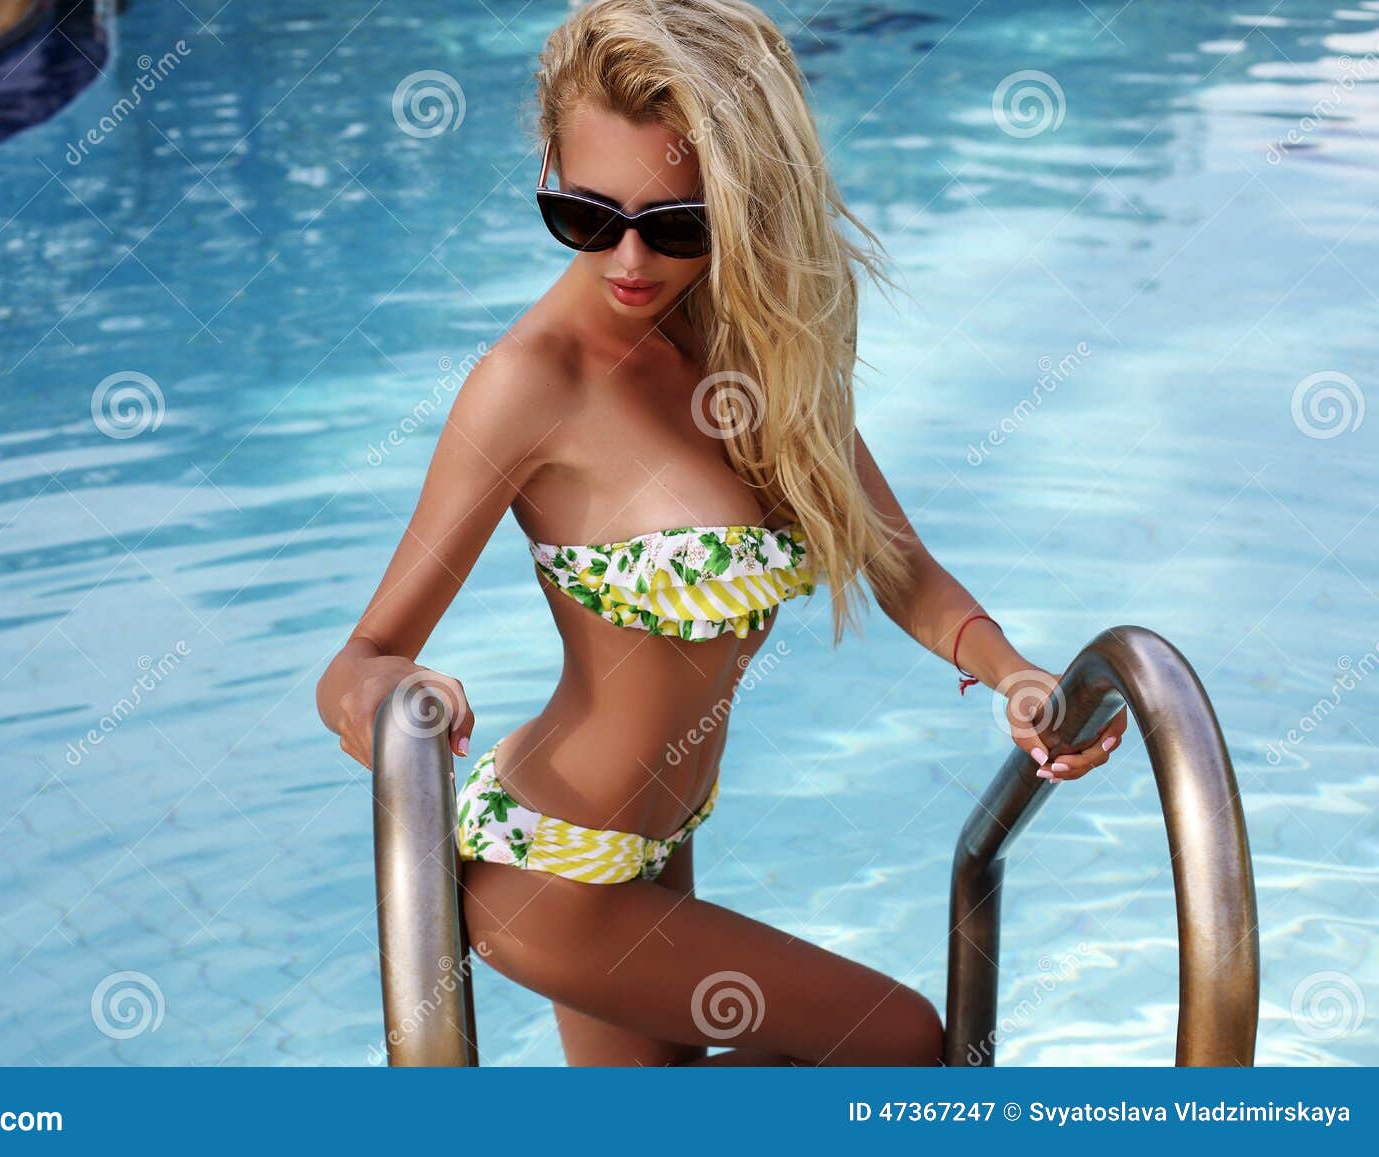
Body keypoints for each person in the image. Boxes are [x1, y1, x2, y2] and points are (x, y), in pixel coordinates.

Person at [317, 0, 1127, 1066]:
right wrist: (402, 700)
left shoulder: (755, 352)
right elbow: (357, 660)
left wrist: (1014, 672)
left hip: (659, 843)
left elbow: (900, 565)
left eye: (678, 223)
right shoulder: (529, 384)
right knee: (900, 1042)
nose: (629, 259)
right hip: (550, 876)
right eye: (584, 216)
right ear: (550, 166)